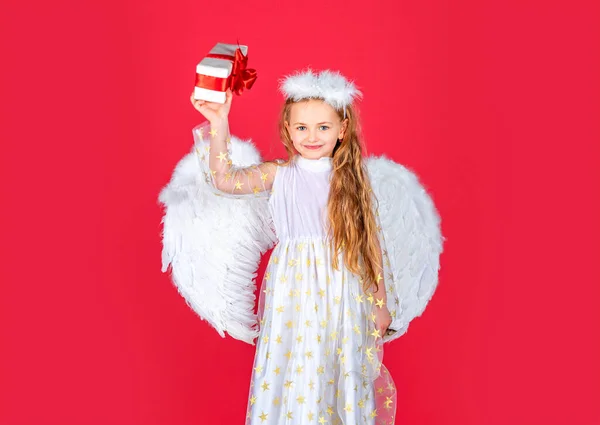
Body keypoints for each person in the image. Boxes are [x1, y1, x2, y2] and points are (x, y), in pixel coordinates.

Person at [160, 68, 443, 425]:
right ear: (288, 130)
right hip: (293, 293)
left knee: (340, 368)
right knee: (298, 366)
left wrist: (380, 303)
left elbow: (370, 247)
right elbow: (224, 180)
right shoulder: (278, 175)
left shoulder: (352, 183)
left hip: (344, 290)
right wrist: (219, 120)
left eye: (323, 127)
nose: (312, 136)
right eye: (302, 127)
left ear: (342, 129)